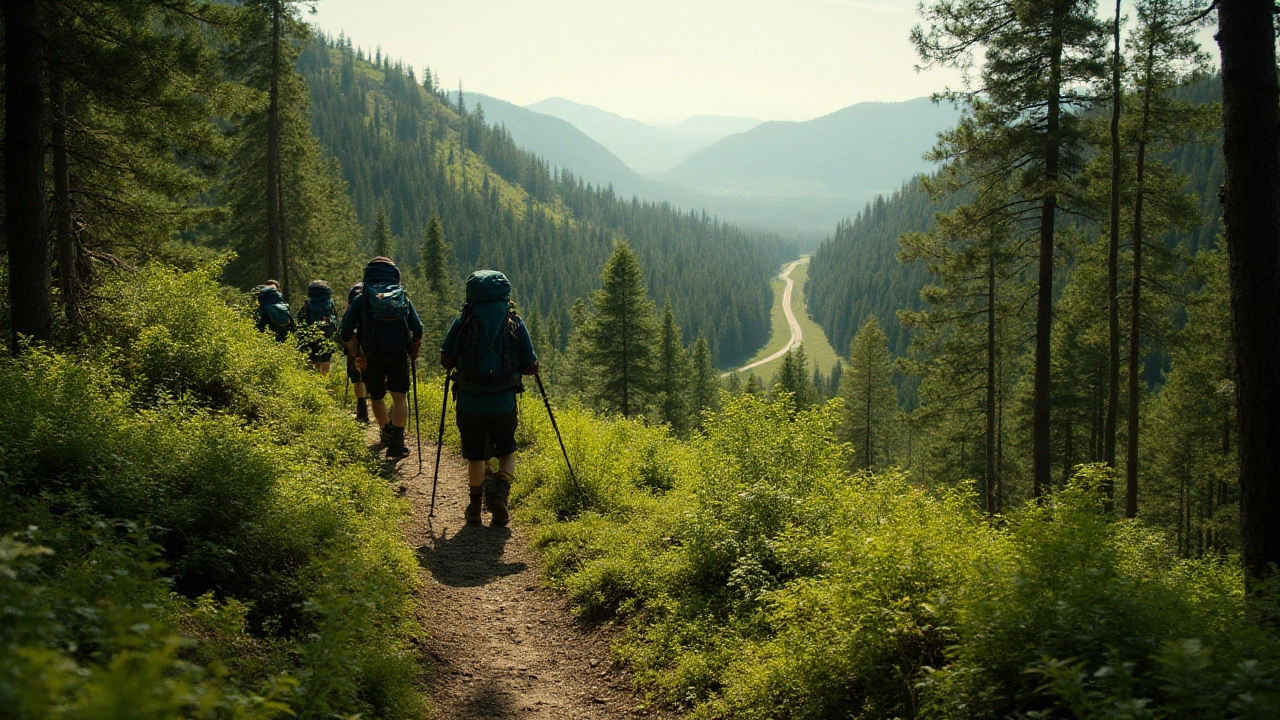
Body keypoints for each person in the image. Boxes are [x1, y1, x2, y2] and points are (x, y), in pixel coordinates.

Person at [439, 270, 538, 527]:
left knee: (475, 455)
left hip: (470, 402)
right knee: (507, 450)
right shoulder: (513, 321)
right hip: (504, 402)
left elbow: (445, 360)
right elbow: (530, 365)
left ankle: (474, 507)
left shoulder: (463, 320)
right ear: (505, 295)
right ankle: (500, 494)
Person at [340, 257, 423, 459]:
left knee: (376, 397)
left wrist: (355, 350)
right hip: (398, 355)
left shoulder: (362, 299)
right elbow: (418, 328)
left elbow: (344, 332)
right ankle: (398, 441)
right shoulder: (402, 297)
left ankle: (386, 432)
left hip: (371, 356)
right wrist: (414, 347)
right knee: (399, 397)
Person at [297, 279, 338, 375]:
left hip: (312, 332)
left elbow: (301, 318)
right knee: (326, 358)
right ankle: (323, 381)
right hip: (327, 333)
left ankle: (312, 382)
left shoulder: (308, 303)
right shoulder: (330, 303)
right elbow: (334, 318)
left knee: (312, 358)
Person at [343, 282, 370, 423]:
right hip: (372, 345)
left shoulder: (354, 300)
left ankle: (362, 409)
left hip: (354, 342)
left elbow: (345, 327)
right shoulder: (375, 298)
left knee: (356, 377)